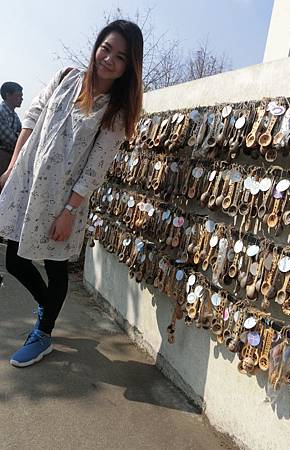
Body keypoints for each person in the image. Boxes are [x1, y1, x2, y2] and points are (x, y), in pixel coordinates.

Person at [0, 20, 143, 367]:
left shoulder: (116, 109)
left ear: (129, 66)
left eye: (120, 56)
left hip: (64, 201)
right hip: (29, 184)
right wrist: (12, 168)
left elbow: (96, 167)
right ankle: (47, 306)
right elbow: (31, 120)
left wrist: (69, 211)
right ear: (97, 46)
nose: (109, 59)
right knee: (15, 259)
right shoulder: (66, 77)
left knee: (55, 265)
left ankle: (44, 333)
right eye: (106, 48)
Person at [0, 82, 23, 175]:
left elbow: (21, 134)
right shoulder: (1, 112)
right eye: (19, 95)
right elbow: (11, 140)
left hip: (9, 154)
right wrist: (19, 137)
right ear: (8, 95)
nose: (22, 98)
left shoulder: (15, 115)